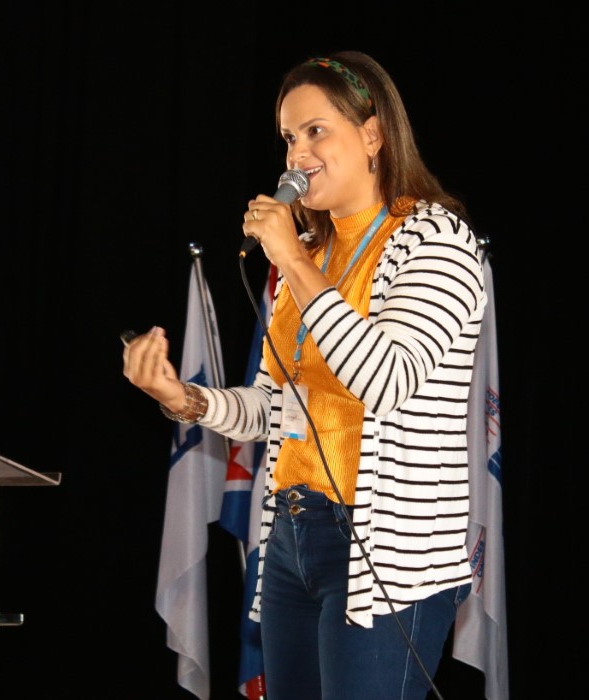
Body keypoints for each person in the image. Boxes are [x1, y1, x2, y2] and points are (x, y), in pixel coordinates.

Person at [123, 50, 487, 699]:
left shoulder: (436, 241)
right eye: (289, 137)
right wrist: (183, 398)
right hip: (292, 536)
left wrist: (292, 259)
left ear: (372, 135)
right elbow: (273, 408)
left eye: (316, 130)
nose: (297, 153)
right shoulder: (313, 255)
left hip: (386, 553)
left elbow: (387, 378)